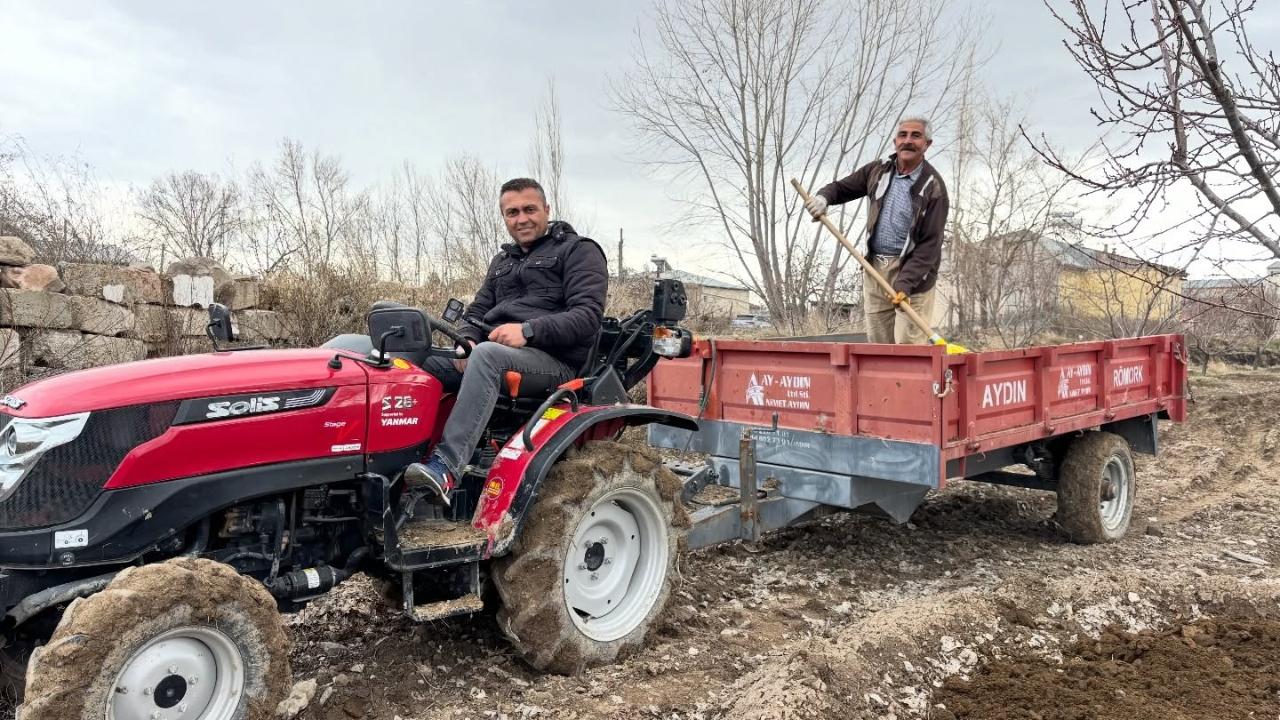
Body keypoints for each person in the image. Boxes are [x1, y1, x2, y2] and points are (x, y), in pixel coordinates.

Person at [404, 177, 608, 504]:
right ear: (504, 218)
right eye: (512, 212)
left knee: (487, 356)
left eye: (529, 209)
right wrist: (466, 340)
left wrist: (528, 331)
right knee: (413, 358)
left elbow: (587, 317)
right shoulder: (503, 262)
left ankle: (445, 468)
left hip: (553, 363)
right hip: (496, 354)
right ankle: (393, 457)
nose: (522, 218)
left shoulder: (579, 251)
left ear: (546, 209)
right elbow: (477, 312)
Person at [804, 117, 949, 344]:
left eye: (915, 136)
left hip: (913, 276)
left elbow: (930, 245)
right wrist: (824, 198)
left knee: (907, 347)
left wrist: (905, 283)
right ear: (895, 141)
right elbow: (842, 188)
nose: (908, 141)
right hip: (875, 270)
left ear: (927, 144)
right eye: (903, 135)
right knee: (880, 347)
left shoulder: (933, 186)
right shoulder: (878, 171)